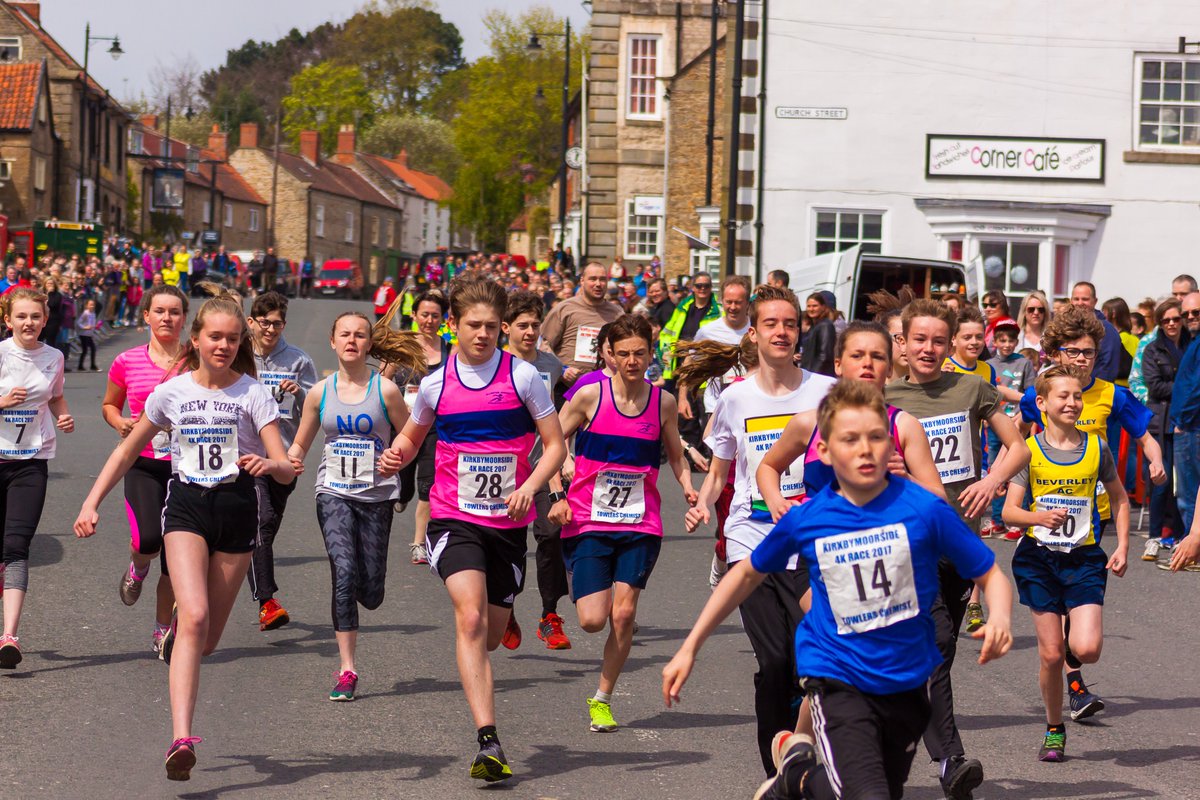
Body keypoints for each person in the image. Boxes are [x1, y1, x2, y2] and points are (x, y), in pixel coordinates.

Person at [663, 380, 1014, 800]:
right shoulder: (809, 518)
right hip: (839, 678)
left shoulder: (925, 509)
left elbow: (989, 571)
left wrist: (1001, 618)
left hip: (907, 686)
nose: (865, 450)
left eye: (875, 438)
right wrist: (690, 646)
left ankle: (797, 780)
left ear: (892, 446)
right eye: (850, 440)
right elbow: (744, 575)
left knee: (865, 786)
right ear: (825, 451)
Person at [74, 288, 294, 781]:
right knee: (192, 614)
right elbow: (128, 452)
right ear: (195, 340)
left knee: (207, 639)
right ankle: (180, 738)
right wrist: (91, 502)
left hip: (238, 512)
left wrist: (270, 462)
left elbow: (283, 468)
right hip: (188, 508)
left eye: (233, 339)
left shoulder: (252, 393)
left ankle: (179, 638)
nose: (224, 345)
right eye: (215, 336)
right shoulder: (172, 392)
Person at [381, 279, 566, 783]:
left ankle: (500, 617)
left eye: (491, 326)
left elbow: (554, 446)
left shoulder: (525, 377)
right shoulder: (438, 383)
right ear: (454, 327)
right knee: (468, 619)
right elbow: (411, 437)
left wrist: (530, 485)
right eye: (472, 325)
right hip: (452, 515)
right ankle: (489, 739)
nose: (482, 334)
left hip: (507, 522)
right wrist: (394, 455)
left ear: (502, 328)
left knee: (484, 633)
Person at [683, 284, 837, 775]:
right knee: (773, 663)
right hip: (752, 540)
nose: (782, 332)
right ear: (754, 333)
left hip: (811, 546)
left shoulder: (825, 391)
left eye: (790, 324)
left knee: (806, 661)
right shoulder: (734, 397)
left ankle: (802, 751)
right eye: (771, 323)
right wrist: (703, 504)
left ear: (800, 332)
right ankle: (778, 772)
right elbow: (723, 473)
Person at [886, 299, 1030, 800]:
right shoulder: (883, 394)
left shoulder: (970, 387)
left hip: (959, 535)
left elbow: (1018, 447)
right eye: (919, 340)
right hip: (907, 540)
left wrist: (991, 481)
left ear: (951, 345)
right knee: (937, 640)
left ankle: (900, 735)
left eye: (938, 341)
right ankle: (950, 759)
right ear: (902, 343)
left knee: (938, 655)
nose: (928, 349)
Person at [548, 313, 695, 732]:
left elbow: (676, 455)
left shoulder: (662, 402)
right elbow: (553, 444)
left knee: (624, 613)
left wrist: (688, 488)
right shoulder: (589, 395)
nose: (632, 360)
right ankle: (582, 574)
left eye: (640, 353)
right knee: (593, 620)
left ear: (651, 354)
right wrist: (557, 492)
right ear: (609, 355)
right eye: (624, 353)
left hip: (640, 522)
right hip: (589, 519)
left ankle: (602, 698)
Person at [1019, 306, 1165, 717]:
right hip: (1047, 514)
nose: (1082, 359)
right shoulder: (1042, 394)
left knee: (1076, 605)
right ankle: (1074, 685)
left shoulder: (1110, 393)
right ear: (1056, 352)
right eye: (1073, 352)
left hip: (1093, 514)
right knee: (1062, 602)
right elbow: (1023, 434)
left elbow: (1144, 434)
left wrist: (1155, 461)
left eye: (1088, 352)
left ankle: (1072, 672)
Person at [286, 311, 418, 700]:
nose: (351, 341)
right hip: (333, 493)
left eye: (360, 335)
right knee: (343, 572)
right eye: (344, 334)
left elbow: (412, 435)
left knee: (371, 592)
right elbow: (300, 445)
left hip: (376, 495)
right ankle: (347, 669)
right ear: (332, 341)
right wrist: (289, 461)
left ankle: (365, 591)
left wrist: (397, 456)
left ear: (368, 344)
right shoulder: (319, 392)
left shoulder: (386, 391)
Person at [1003, 365, 1129, 762]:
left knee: (1086, 649)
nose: (1073, 402)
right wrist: (1037, 517)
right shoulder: (1027, 450)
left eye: (1077, 396)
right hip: (1038, 559)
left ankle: (1075, 642)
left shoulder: (1097, 448)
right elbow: (1009, 512)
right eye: (1064, 396)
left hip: (1083, 558)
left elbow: (1121, 498)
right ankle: (1054, 729)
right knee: (1051, 655)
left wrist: (1122, 545)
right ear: (1041, 404)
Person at [103, 284, 188, 655]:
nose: (167, 317)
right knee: (148, 540)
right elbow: (109, 404)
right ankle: (137, 568)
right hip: (143, 463)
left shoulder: (197, 361)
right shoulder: (127, 361)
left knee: (173, 561)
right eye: (160, 311)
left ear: (185, 318)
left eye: (174, 311)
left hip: (186, 468)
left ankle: (162, 630)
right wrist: (120, 422)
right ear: (147, 316)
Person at [0, 288, 74, 669]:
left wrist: (63, 415)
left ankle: (9, 636)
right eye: (21, 316)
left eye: (35, 316)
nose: (28, 323)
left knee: (16, 546)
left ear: (45, 320)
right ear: (8, 319)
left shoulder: (54, 357)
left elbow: (56, 396)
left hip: (31, 460)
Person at [502, 291, 573, 650]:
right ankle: (506, 606)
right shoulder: (496, 365)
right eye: (522, 325)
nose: (530, 331)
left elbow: (563, 412)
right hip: (503, 466)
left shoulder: (551, 365)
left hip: (544, 463)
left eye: (535, 325)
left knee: (550, 534)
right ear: (506, 328)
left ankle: (549, 615)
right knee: (510, 541)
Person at [246, 291, 318, 631]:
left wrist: (299, 392)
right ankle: (267, 602)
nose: (271, 330)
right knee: (262, 521)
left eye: (277, 323)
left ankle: (237, 569)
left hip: (286, 456)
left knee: (266, 528)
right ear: (252, 322)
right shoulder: (240, 354)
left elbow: (315, 410)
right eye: (265, 323)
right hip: (248, 454)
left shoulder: (299, 360)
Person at [382, 290, 451, 565]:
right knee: (404, 485)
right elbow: (382, 381)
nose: (429, 320)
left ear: (443, 319)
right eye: (424, 314)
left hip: (434, 426)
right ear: (414, 315)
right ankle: (402, 495)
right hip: (402, 426)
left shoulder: (449, 350)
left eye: (435, 316)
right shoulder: (401, 346)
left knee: (428, 485)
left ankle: (418, 543)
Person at [540, 262, 625, 395]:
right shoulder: (564, 308)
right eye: (593, 279)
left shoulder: (617, 313)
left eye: (602, 279)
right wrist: (562, 370)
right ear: (582, 281)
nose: (598, 284)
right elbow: (543, 345)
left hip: (605, 390)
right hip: (566, 388)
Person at [986, 320, 1037, 540]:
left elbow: (1031, 393)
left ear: (1017, 341)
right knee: (994, 469)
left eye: (1011, 340)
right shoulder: (988, 365)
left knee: (1017, 469)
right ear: (995, 341)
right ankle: (998, 520)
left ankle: (1017, 521)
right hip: (994, 423)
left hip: (1017, 424)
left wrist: (1026, 418)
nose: (1007, 344)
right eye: (1002, 340)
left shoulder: (1024, 363)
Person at [1141, 299, 1187, 543]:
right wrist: (1187, 387)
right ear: (1159, 322)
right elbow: (1155, 386)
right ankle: (1155, 534)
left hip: (1187, 421)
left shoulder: (1191, 344)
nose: (1172, 323)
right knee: (1161, 479)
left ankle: (1182, 534)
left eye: (1176, 319)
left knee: (1186, 483)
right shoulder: (1152, 349)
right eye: (1166, 319)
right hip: (1162, 422)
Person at [1167, 292, 1200, 540]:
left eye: (1196, 312)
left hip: (1192, 429)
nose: (1190, 317)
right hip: (1189, 427)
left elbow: (1197, 387)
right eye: (1185, 314)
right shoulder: (1193, 340)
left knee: (1189, 497)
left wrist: (1183, 421)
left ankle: (1192, 553)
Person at [1070, 282, 1121, 383]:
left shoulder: (1106, 329)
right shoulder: (1068, 326)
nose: (1080, 303)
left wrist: (1093, 388)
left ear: (1095, 301)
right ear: (1071, 301)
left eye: (1085, 299)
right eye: (1076, 299)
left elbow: (1107, 366)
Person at [801, 291, 837, 377]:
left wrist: (812, 376)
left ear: (823, 307)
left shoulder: (825, 325)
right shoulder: (815, 326)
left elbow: (824, 356)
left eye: (815, 306)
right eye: (809, 306)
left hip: (819, 375)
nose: (811, 309)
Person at [1016, 291, 1050, 355]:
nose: (1036, 313)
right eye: (1031, 309)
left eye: (1041, 310)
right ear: (1024, 312)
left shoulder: (1052, 337)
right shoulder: (1014, 336)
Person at [76, 297, 100, 372]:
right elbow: (79, 322)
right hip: (84, 334)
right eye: (90, 305)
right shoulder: (85, 313)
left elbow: (91, 323)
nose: (92, 306)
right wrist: (84, 327)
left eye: (93, 305)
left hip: (89, 334)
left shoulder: (93, 313)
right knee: (85, 350)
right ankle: (80, 366)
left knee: (93, 349)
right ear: (87, 306)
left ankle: (92, 365)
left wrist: (95, 326)